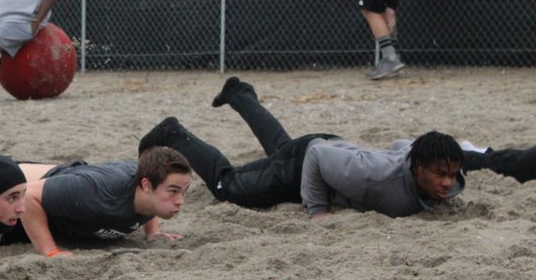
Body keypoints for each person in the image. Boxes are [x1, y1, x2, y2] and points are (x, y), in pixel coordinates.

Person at [139, 76, 465, 219]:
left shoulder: (448, 183)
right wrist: (317, 210)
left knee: (282, 147)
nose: (448, 183)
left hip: (330, 150)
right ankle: (174, 133)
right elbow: (316, 156)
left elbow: (402, 144)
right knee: (230, 186)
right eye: (440, 174)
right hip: (310, 160)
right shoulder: (375, 176)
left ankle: (239, 94)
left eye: (452, 174)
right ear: (417, 168)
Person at [3, 147, 192, 258]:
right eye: (173, 191)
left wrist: (153, 231)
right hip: (7, 194)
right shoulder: (98, 192)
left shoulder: (149, 192)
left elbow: (152, 195)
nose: (180, 201)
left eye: (184, 192)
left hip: (51, 204)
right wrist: (50, 251)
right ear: (146, 185)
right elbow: (28, 195)